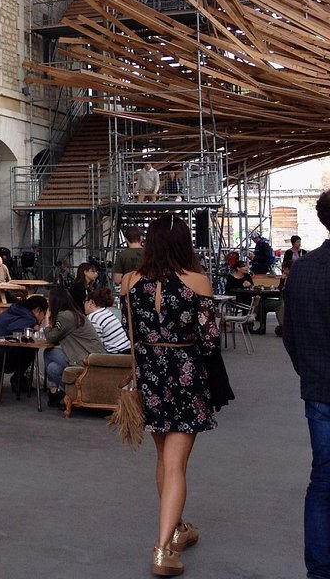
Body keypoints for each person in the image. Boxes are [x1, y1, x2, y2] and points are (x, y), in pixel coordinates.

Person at [122, 213, 220, 577]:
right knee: (177, 464)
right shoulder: (198, 281)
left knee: (164, 459)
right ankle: (163, 549)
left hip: (151, 378)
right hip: (186, 378)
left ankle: (177, 527)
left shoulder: (130, 282)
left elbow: (128, 332)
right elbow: (209, 341)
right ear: (184, 243)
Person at [283, 189, 330, 579]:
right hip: (317, 386)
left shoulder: (303, 269)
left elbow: (290, 333)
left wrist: (309, 370)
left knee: (323, 481)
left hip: (319, 391)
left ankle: (318, 570)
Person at [0, 294, 49, 401]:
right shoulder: (30, 318)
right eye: (44, 314)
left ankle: (19, 379)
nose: (43, 318)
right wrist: (33, 327)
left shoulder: (15, 309)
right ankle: (18, 379)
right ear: (37, 310)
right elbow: (14, 328)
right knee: (30, 350)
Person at [42, 288, 105, 408]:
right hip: (91, 355)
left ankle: (55, 392)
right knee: (52, 368)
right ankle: (66, 392)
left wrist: (47, 321)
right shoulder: (74, 313)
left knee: (48, 352)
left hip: (86, 359)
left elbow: (51, 337)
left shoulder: (65, 316)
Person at [86, 286, 131, 354]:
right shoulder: (106, 312)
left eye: (85, 301)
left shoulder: (93, 318)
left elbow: (96, 345)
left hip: (116, 354)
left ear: (91, 302)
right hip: (127, 349)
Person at [113, 228, 145, 293]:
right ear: (141, 238)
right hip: (146, 290)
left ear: (126, 239)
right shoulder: (149, 253)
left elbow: (117, 279)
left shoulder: (121, 255)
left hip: (128, 290)